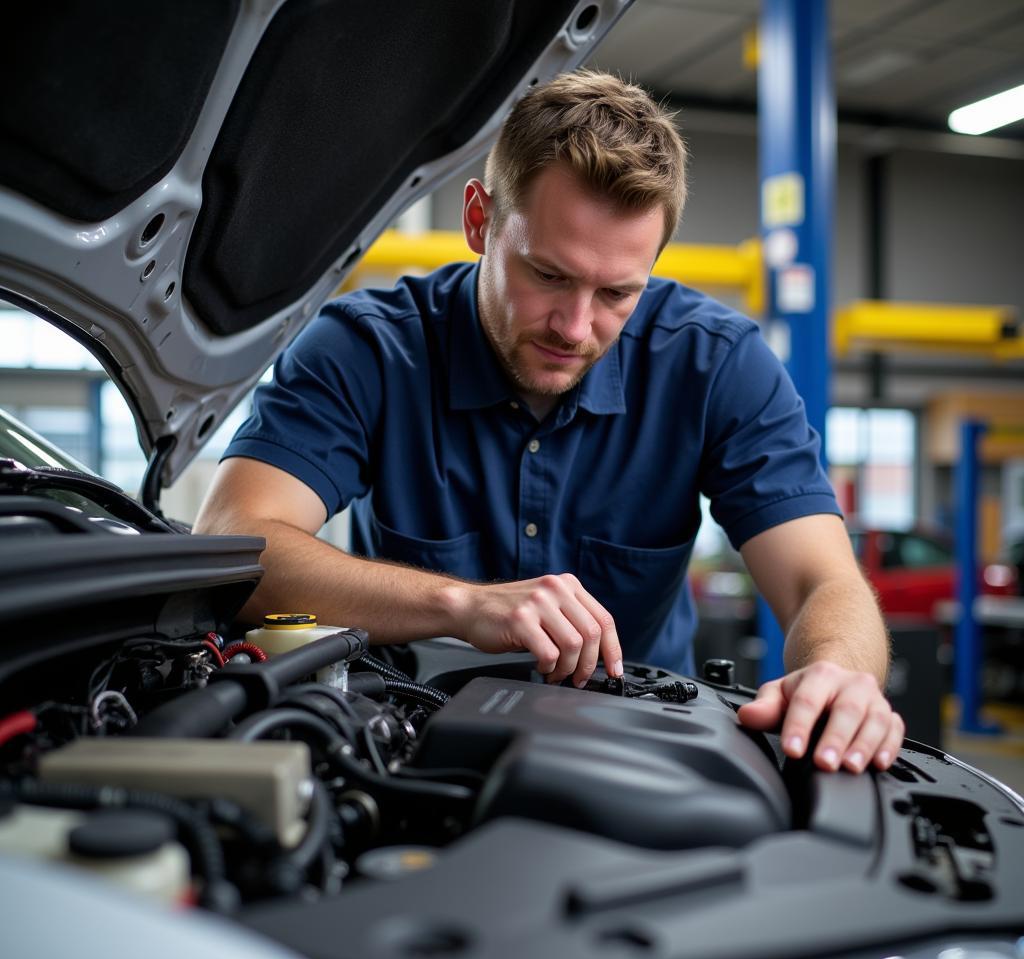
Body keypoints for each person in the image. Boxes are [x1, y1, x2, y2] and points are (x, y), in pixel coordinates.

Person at [194, 69, 903, 774]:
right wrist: (459, 604)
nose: (575, 326)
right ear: (479, 220)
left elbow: (824, 582)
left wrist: (841, 672)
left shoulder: (718, 364)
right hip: (409, 752)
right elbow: (234, 541)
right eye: (549, 275)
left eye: (618, 293)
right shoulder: (366, 351)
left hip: (647, 759)